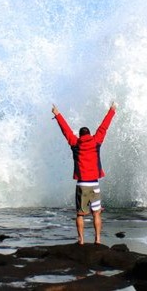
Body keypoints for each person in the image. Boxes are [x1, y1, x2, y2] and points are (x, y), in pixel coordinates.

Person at [51, 101, 117, 245]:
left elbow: (66, 131)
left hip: (81, 184)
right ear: (89, 134)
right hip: (94, 183)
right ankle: (98, 239)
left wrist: (57, 114)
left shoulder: (75, 143)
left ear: (80, 135)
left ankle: (81, 240)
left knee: (80, 214)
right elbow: (103, 127)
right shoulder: (95, 141)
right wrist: (111, 111)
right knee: (97, 212)